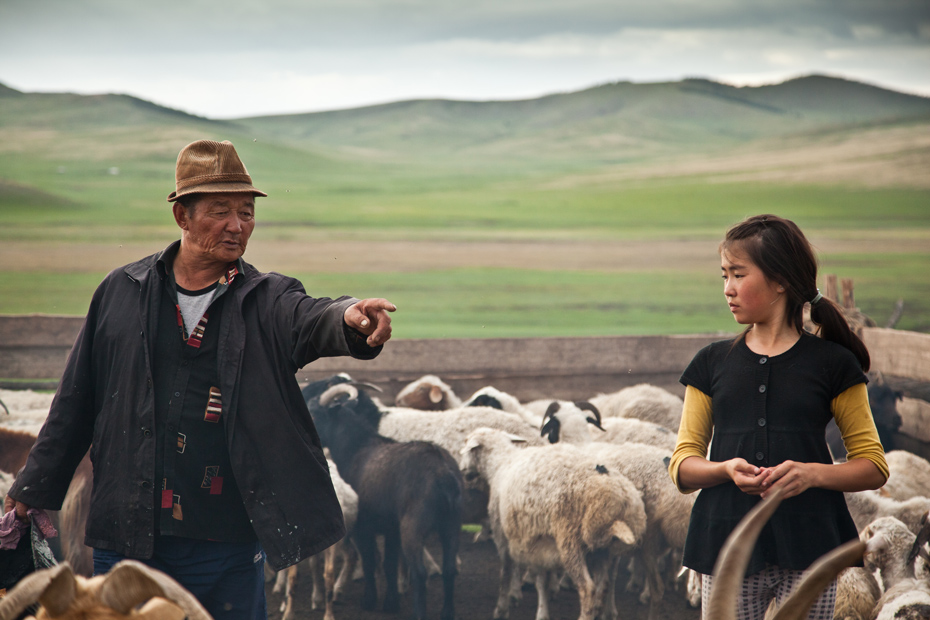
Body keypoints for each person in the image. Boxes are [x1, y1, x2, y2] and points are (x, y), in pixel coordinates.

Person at [3, 139, 396, 619]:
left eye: (247, 212)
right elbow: (74, 404)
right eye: (221, 210)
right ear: (182, 217)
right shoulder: (121, 292)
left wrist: (351, 318)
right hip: (128, 537)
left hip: (225, 540)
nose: (238, 224)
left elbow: (312, 317)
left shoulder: (267, 298)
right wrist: (31, 489)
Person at [667, 214, 888, 620]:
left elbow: (873, 466)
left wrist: (812, 474)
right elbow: (682, 466)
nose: (727, 289)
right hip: (725, 541)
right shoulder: (710, 363)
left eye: (738, 274)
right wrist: (725, 469)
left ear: (780, 280)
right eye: (724, 276)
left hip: (810, 540)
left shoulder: (833, 364)